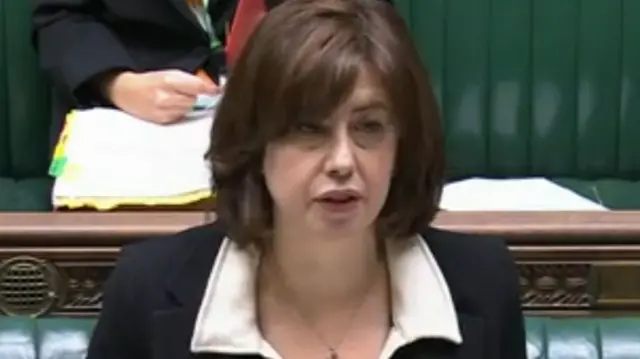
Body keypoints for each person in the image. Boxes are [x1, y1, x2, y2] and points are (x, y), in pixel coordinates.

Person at [86, 0, 527, 358]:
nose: (342, 162)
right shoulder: (148, 292)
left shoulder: (482, 284)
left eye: (369, 127)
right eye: (308, 129)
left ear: (402, 146)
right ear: (255, 144)